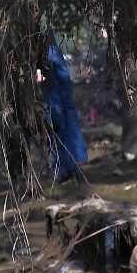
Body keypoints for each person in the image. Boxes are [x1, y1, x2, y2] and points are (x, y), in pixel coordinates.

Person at [42, 42, 88, 181]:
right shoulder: (53, 52)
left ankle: (65, 168)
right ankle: (72, 166)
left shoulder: (49, 53)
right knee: (65, 128)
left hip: (57, 99)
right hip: (60, 98)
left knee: (60, 129)